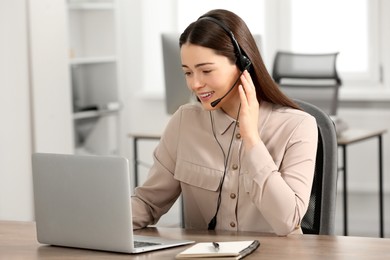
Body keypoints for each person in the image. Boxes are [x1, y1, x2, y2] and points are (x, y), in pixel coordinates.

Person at [131, 9, 318, 236]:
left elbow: (287, 222)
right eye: (188, 73)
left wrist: (251, 139)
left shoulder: (298, 127)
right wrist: (97, 222)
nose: (195, 84)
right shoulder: (184, 122)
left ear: (243, 64)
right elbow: (148, 203)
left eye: (206, 70)